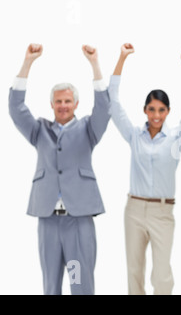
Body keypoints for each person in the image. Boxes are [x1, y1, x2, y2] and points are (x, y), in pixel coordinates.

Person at [9, 44, 110, 295]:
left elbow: (103, 109)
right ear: (52, 105)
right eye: (58, 102)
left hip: (77, 222)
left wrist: (95, 64)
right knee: (50, 286)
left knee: (79, 283)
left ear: (76, 104)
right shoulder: (39, 130)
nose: (63, 105)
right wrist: (27, 63)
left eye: (67, 101)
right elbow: (15, 108)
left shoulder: (89, 129)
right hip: (48, 221)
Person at [107, 43, 181, 295]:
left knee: (162, 276)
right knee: (134, 272)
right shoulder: (134, 136)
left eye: (161, 109)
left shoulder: (176, 138)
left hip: (162, 211)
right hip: (134, 209)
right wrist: (122, 57)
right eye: (151, 109)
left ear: (168, 111)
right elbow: (113, 103)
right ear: (145, 110)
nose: (156, 114)